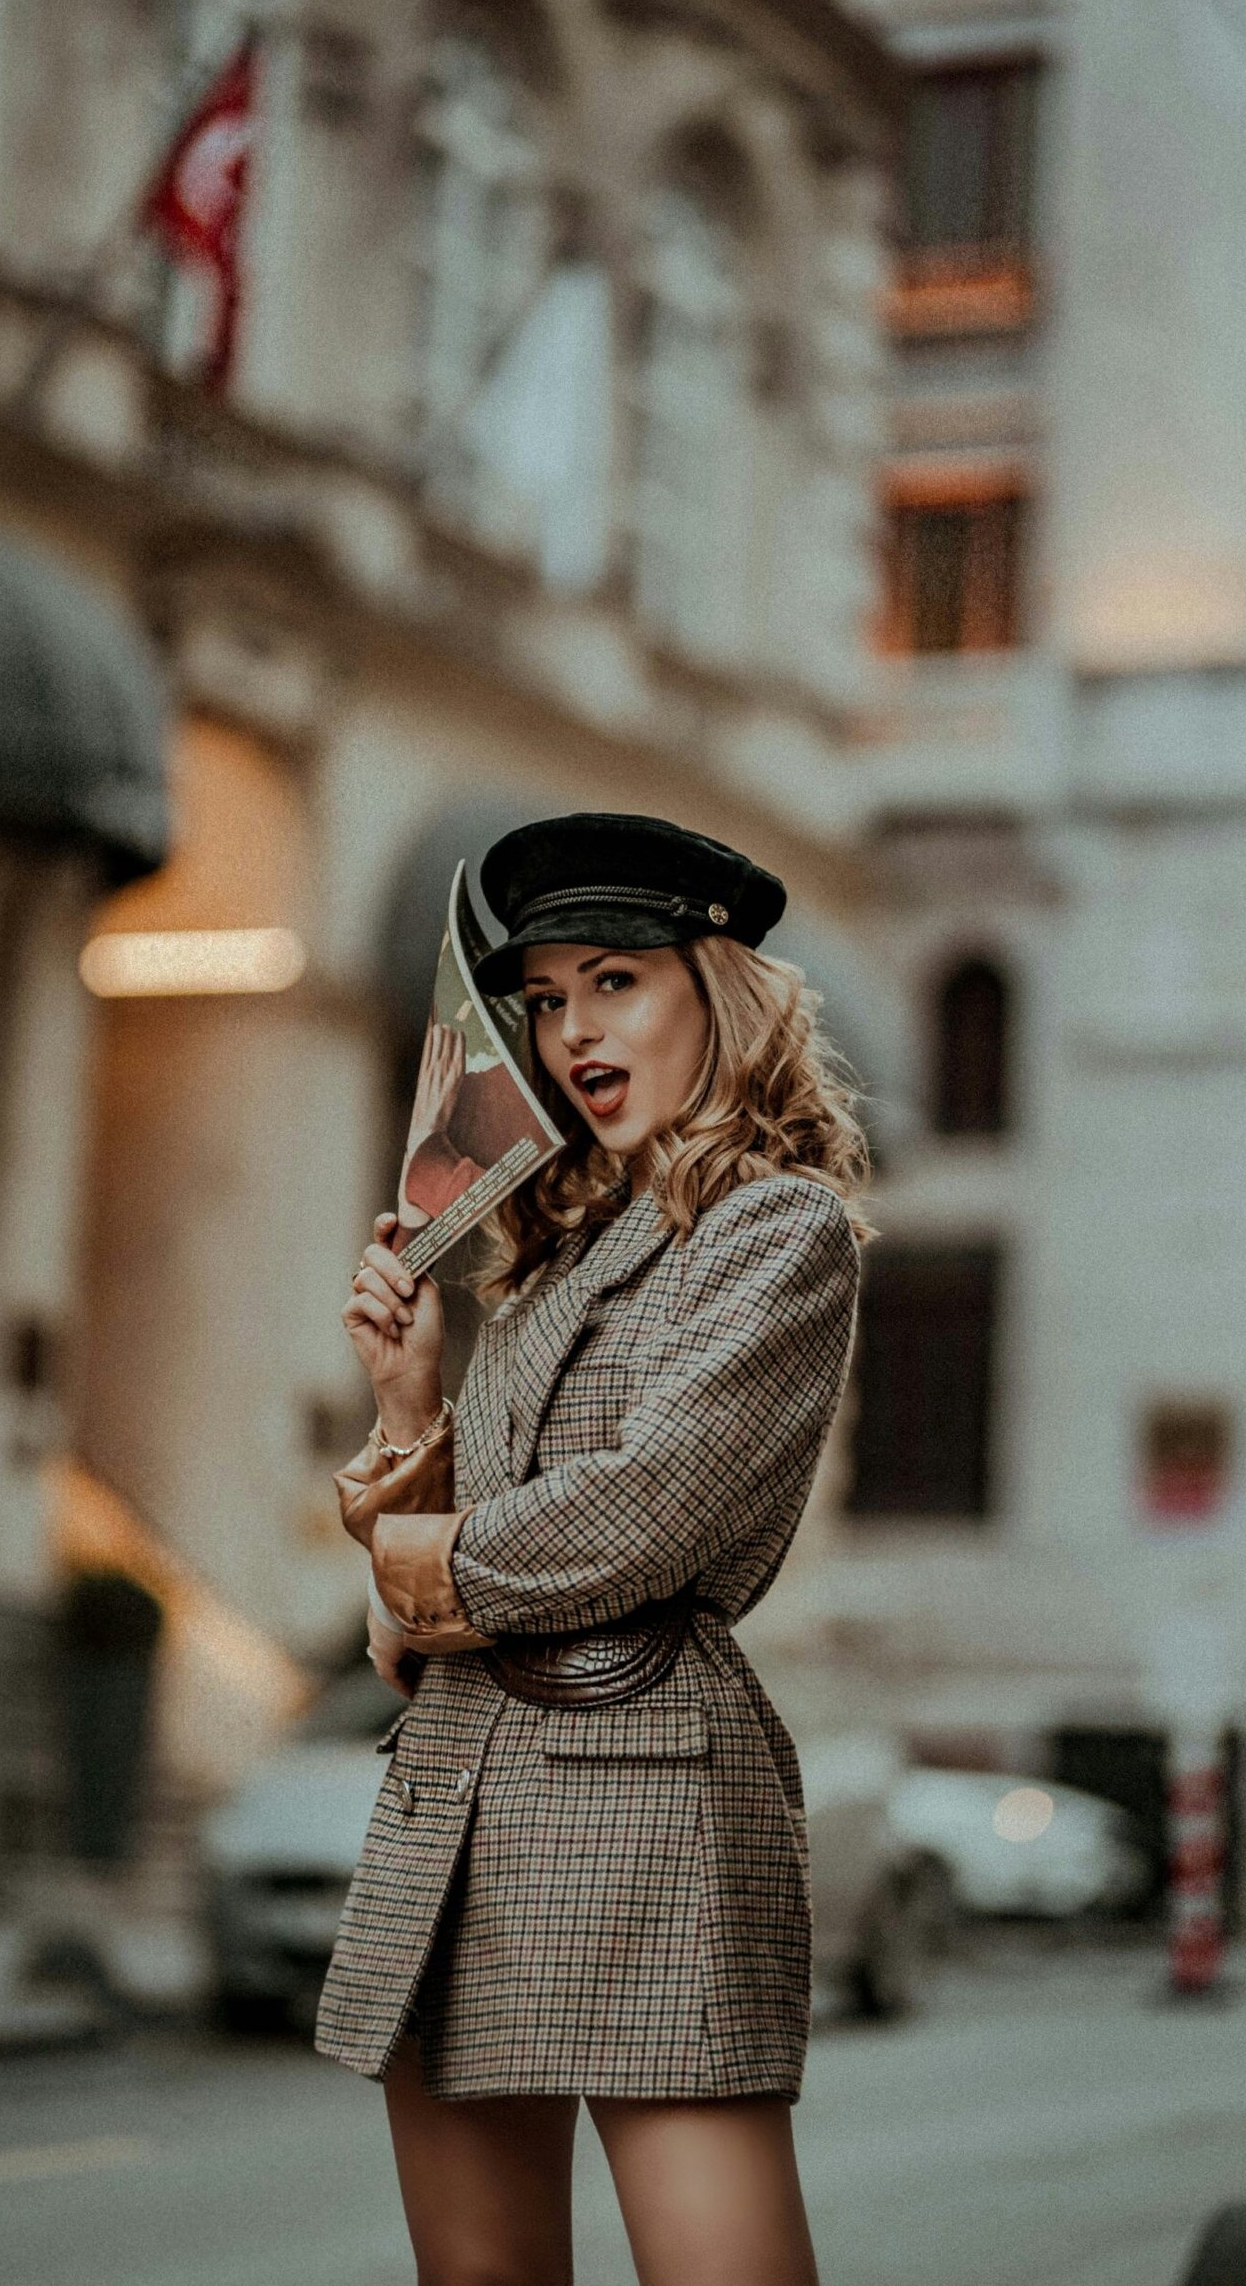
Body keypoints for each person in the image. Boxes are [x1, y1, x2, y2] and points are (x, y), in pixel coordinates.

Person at [318, 811, 870, 2286]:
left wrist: (421, 1576)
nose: (570, 1030)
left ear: (718, 989)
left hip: (644, 1799)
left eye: (613, 981)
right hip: (458, 1796)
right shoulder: (551, 1250)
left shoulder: (778, 1232)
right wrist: (411, 1400)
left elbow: (649, 1508)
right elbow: (432, 1598)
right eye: (547, 998)